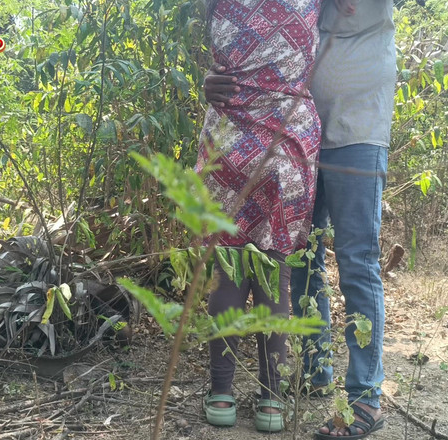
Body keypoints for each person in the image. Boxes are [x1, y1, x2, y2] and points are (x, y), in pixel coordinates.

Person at [204, 0, 396, 437]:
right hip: (294, 131)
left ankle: (365, 399)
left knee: (357, 261)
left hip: (355, 131)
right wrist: (211, 78)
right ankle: (315, 373)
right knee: (300, 260)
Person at [196, 0, 323, 433]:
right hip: (289, 140)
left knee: (229, 270)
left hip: (229, 137)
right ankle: (271, 403)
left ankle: (222, 396)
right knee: (277, 273)